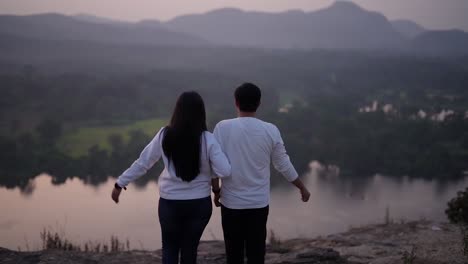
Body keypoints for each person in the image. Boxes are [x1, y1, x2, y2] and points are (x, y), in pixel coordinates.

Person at [111, 91, 231, 264]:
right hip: (199, 204)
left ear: (178, 111)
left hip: (170, 203)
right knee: (190, 250)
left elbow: (143, 162)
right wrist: (216, 186)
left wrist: (119, 184)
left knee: (170, 248)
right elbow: (225, 171)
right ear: (201, 112)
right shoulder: (208, 139)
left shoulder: (164, 134)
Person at [212, 83, 310, 264]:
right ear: (259, 103)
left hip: (231, 204)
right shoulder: (270, 130)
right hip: (258, 204)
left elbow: (214, 163)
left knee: (233, 254)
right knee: (256, 254)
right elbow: (283, 164)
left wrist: (216, 191)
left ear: (236, 102)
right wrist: (302, 187)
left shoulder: (222, 128)